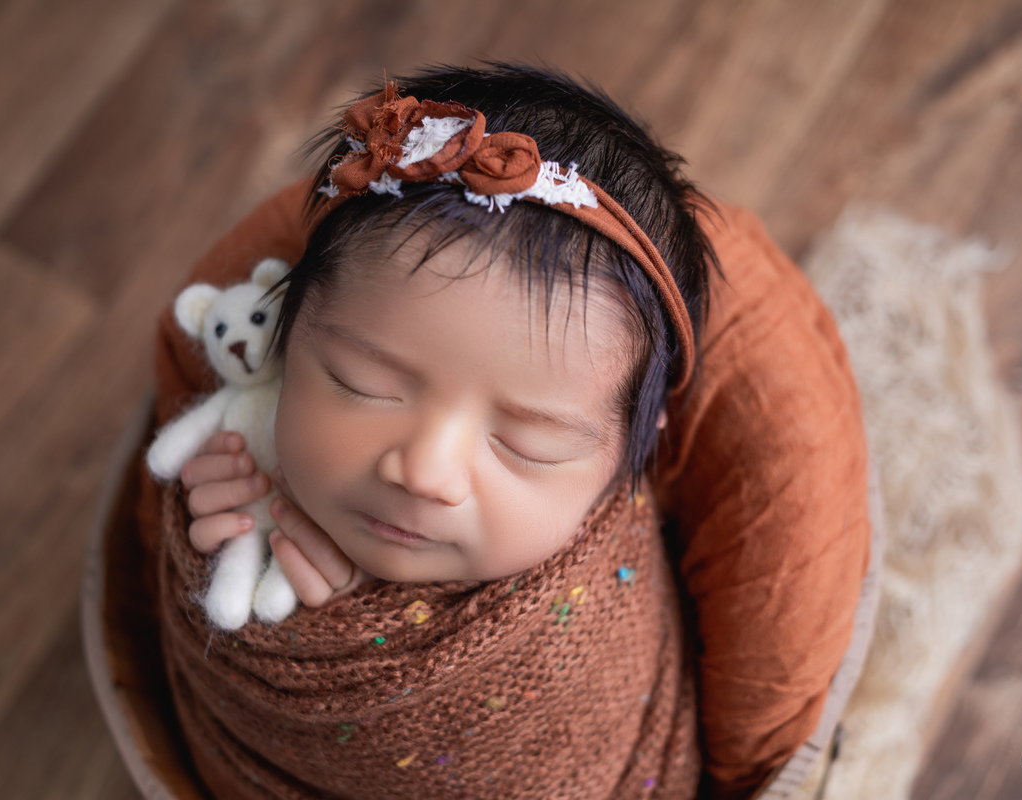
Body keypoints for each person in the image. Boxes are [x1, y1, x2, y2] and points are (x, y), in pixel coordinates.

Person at [145, 64, 871, 799]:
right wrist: (221, 544)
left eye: (528, 443)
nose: (425, 471)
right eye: (363, 384)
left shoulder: (589, 612)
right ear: (287, 340)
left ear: (634, 448)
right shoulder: (246, 438)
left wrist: (355, 628)